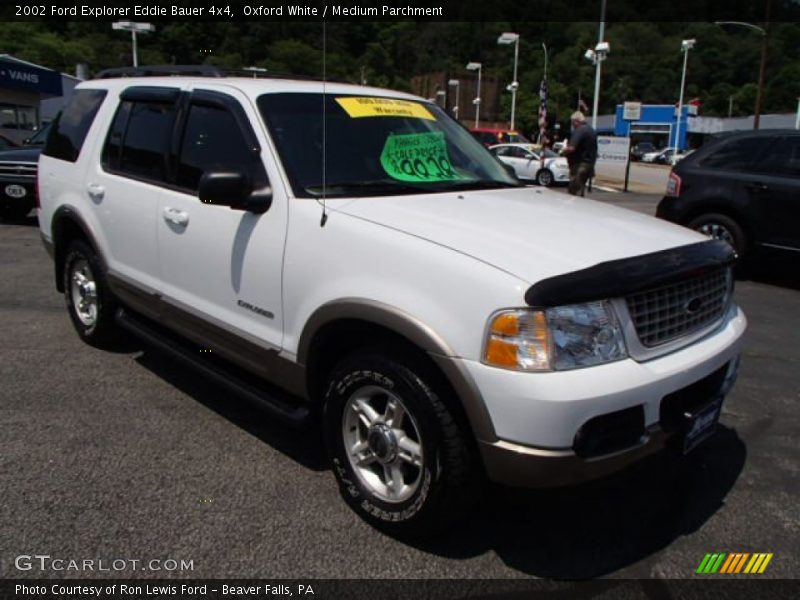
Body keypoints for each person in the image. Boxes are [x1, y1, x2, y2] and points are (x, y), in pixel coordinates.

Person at [561, 111, 597, 196]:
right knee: (581, 189)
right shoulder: (591, 130)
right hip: (589, 165)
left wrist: (563, 151)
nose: (572, 125)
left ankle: (573, 208)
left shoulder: (579, 130)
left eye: (572, 122)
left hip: (579, 165)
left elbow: (572, 148)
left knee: (573, 192)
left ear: (576, 121)